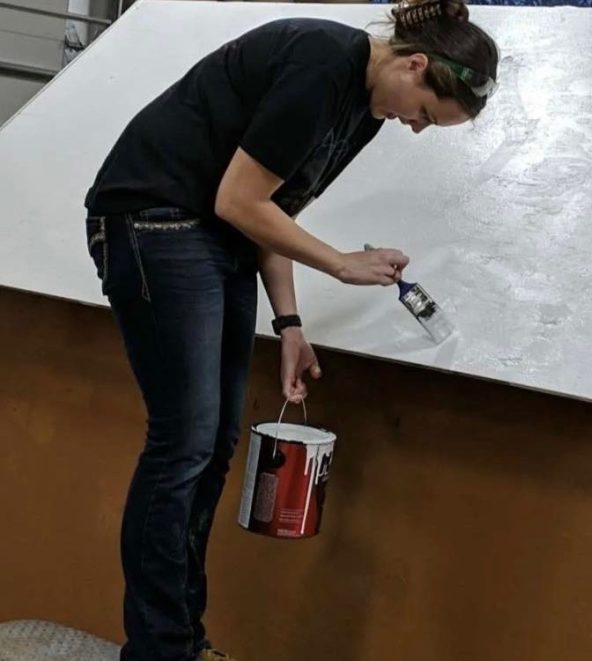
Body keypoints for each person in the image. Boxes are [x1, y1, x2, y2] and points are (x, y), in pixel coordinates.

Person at [82, 1, 498, 658]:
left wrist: (290, 323)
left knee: (213, 446)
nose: (415, 128)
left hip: (212, 235)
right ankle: (159, 649)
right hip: (153, 219)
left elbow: (265, 210)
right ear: (414, 64)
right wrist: (339, 263)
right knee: (181, 445)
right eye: (423, 112)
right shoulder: (320, 61)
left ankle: (182, 640)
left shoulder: (364, 111)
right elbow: (236, 200)